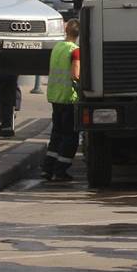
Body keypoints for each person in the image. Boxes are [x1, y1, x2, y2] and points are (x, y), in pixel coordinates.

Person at [41, 19, 81, 182]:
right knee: (70, 136)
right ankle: (61, 170)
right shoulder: (75, 51)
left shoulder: (57, 47)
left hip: (55, 96)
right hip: (69, 98)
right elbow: (75, 75)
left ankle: (47, 168)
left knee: (56, 134)